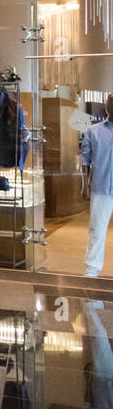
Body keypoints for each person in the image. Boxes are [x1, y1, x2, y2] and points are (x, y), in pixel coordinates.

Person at [81, 94, 113, 278]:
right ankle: (92, 270)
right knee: (97, 230)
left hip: (102, 187)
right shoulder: (93, 131)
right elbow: (85, 159)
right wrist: (84, 185)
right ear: (107, 107)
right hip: (101, 188)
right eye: (111, 104)